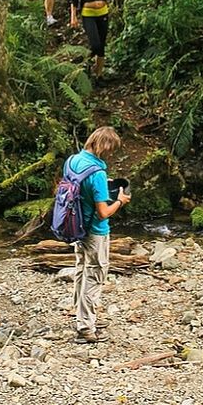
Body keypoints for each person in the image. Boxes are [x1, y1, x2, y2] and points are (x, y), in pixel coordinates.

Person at [67, 126, 129, 344]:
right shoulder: (98, 174)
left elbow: (80, 187)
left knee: (81, 269)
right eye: (111, 150)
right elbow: (103, 213)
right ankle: (85, 328)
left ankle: (79, 314)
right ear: (105, 148)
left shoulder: (73, 161)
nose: (112, 155)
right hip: (94, 231)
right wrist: (120, 201)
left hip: (76, 226)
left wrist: (105, 184)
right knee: (95, 276)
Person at [69, 0, 120, 80]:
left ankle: (98, 75)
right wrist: (73, 17)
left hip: (103, 12)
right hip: (88, 13)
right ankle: (83, 63)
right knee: (95, 44)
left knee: (102, 46)